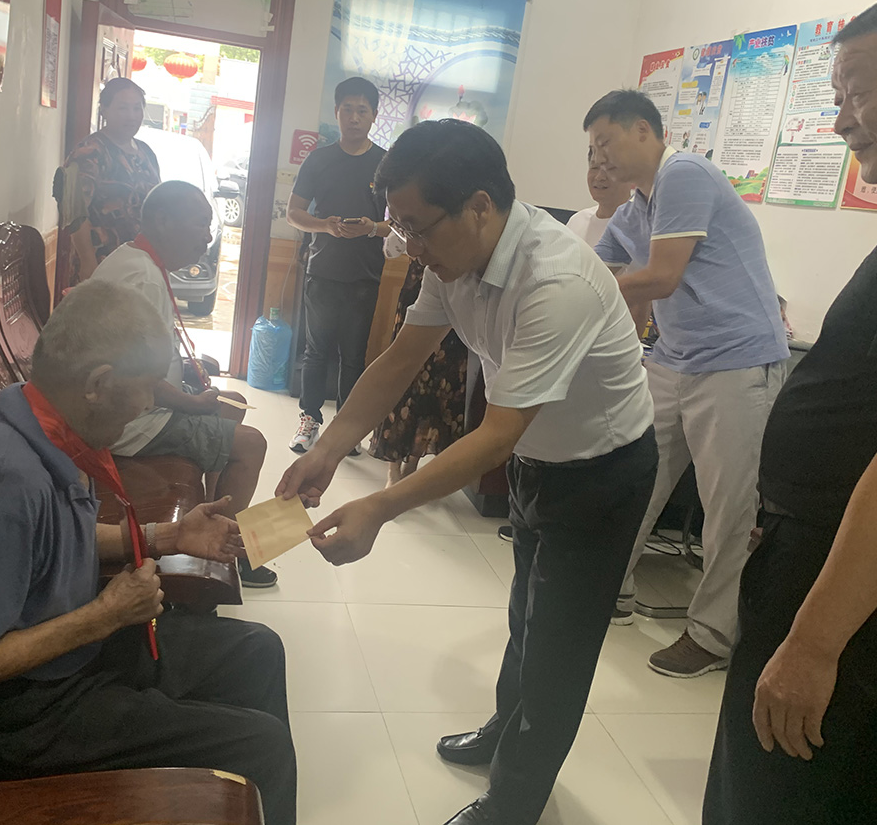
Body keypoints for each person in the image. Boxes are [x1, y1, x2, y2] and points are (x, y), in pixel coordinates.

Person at [278, 119, 658, 825]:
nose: (411, 246)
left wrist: (380, 507)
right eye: (400, 228)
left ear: (479, 206)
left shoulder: (558, 280)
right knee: (524, 617)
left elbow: (496, 436)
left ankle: (513, 804)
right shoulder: (453, 261)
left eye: (418, 228)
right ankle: (502, 730)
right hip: (541, 461)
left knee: (558, 650)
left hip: (602, 474)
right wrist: (327, 449)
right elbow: (401, 358)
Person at [705, 0, 877, 824]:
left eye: (856, 93)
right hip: (843, 558)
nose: (838, 122)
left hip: (856, 586)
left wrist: (812, 645)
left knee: (782, 795)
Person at [0, 279, 297, 825]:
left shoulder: (42, 425)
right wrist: (104, 616)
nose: (148, 404)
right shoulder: (8, 486)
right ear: (98, 384)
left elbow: (53, 541)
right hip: (22, 714)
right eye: (146, 388)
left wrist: (167, 538)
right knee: (260, 746)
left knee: (257, 649)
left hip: (65, 657)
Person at [585, 90, 789, 677]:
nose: (600, 158)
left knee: (728, 506)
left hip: (737, 361)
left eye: (605, 143)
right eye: (593, 149)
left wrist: (594, 288)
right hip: (673, 360)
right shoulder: (637, 206)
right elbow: (596, 267)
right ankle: (612, 589)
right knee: (635, 477)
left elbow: (662, 277)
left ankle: (713, 635)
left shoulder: (685, 173)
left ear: (643, 131)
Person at [90, 181, 275, 589]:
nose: (207, 237)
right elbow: (137, 381)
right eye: (200, 224)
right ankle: (230, 554)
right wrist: (194, 404)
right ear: (163, 221)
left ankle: (215, 521)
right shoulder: (143, 278)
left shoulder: (138, 261)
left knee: (233, 403)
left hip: (141, 406)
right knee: (252, 444)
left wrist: (191, 375)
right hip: (132, 423)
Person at [287, 76, 390, 454]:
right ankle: (309, 420)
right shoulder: (319, 159)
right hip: (322, 271)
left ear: (374, 115)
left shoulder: (386, 164)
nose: (354, 117)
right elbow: (294, 213)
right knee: (315, 351)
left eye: (362, 110)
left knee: (354, 356)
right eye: (347, 109)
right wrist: (324, 226)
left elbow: (400, 224)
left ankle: (345, 430)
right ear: (337, 112)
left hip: (365, 274)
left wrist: (371, 228)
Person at [369, 229, 468, 489]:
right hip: (417, 292)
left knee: (440, 383)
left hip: (457, 298)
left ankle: (412, 464)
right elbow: (391, 250)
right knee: (405, 378)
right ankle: (393, 467)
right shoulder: (416, 219)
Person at [60, 78, 161, 289]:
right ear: (104, 110)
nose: (131, 116)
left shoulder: (146, 153)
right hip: (101, 264)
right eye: (123, 108)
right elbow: (74, 212)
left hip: (142, 265)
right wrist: (87, 262)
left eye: (136, 108)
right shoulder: (89, 153)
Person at [567, 146, 635, 248]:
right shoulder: (577, 221)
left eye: (610, 169)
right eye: (594, 167)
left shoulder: (643, 228)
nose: (599, 177)